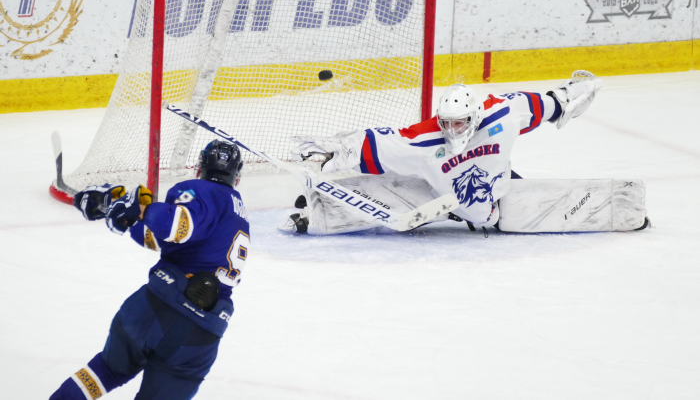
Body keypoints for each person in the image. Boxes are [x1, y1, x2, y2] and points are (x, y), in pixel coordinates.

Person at [284, 70, 603, 235]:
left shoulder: (505, 114)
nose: (453, 131)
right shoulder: (425, 141)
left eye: (461, 123)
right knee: (399, 190)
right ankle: (319, 209)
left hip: (497, 186)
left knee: (484, 183)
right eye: (447, 123)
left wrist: (573, 95)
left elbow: (549, 104)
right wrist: (336, 149)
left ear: (475, 117)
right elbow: (379, 143)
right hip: (446, 199)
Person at [50, 140, 248, 400]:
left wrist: (133, 208)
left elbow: (175, 227)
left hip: (154, 309)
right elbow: (163, 234)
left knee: (105, 373)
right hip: (201, 334)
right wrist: (126, 213)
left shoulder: (198, 190)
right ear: (237, 176)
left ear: (200, 167)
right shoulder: (239, 215)